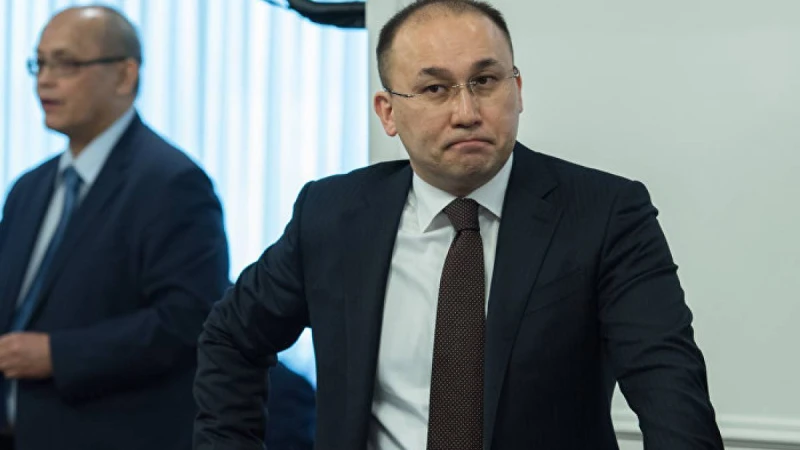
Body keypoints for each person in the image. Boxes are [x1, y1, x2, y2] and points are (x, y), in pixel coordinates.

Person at [193, 0, 723, 449]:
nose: (467, 111)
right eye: (435, 89)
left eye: (485, 81)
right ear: (388, 112)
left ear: (518, 89)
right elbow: (231, 337)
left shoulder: (604, 214)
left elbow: (668, 385)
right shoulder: (333, 214)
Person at [0, 6, 229, 450]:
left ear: (125, 75)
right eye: (39, 64)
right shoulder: (29, 188)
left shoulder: (172, 183)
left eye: (65, 64)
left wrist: (57, 355)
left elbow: (188, 319)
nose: (44, 80)